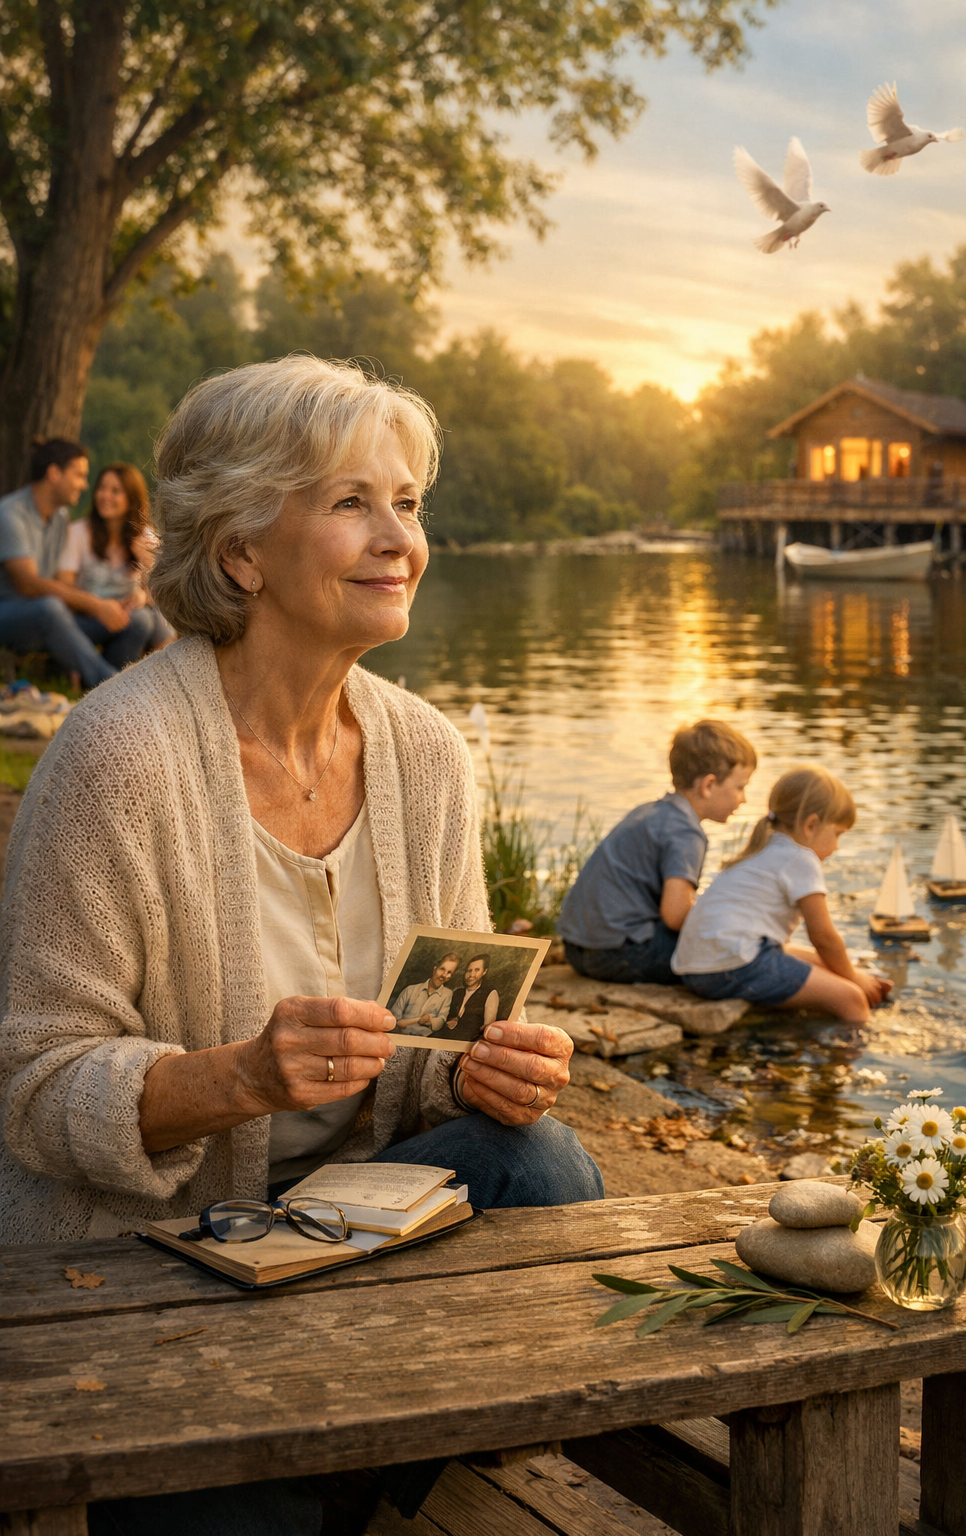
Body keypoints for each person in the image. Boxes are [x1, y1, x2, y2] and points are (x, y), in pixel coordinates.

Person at [0, 357, 601, 1535]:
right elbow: (30, 1085)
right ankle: (322, 1466)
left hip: (343, 1216)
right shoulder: (116, 758)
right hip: (154, 1248)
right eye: (349, 503)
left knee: (548, 1172)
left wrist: (487, 1066)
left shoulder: (428, 756)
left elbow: (434, 1044)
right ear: (239, 552)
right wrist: (235, 1078)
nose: (399, 540)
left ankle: (327, 1457)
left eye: (409, 504)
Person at [671, 766, 893, 1022]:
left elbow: (812, 951)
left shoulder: (760, 852)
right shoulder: (800, 858)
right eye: (837, 834)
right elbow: (824, 938)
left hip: (694, 969)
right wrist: (854, 979)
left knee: (815, 961)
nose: (836, 847)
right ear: (811, 825)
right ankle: (848, 1057)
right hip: (732, 965)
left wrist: (848, 971)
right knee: (850, 998)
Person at [558, 719, 757, 985]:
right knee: (729, 953)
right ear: (708, 785)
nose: (743, 799)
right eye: (740, 787)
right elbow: (675, 916)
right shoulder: (686, 833)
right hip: (617, 954)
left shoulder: (649, 812)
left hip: (577, 949)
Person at [0, 439, 131, 688]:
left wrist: (110, 606)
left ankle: (115, 685)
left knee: (134, 621)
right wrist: (94, 603)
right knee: (49, 607)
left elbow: (63, 582)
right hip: (9, 613)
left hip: (47, 618)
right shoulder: (10, 515)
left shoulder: (60, 518)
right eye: (79, 475)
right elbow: (28, 585)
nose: (84, 485)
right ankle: (113, 686)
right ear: (53, 473)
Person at [57, 461, 175, 669]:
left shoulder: (145, 538)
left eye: (115, 491)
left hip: (126, 618)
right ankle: (119, 678)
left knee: (150, 617)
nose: (105, 496)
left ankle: (140, 676)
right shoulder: (78, 532)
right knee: (143, 620)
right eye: (102, 488)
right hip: (86, 618)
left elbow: (165, 592)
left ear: (131, 499)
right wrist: (98, 607)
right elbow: (64, 584)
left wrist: (143, 593)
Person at [390, 952, 460, 1035]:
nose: (444, 975)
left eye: (449, 972)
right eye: (442, 969)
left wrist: (430, 1021)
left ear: (450, 977)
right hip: (401, 1035)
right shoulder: (410, 990)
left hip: (425, 1039)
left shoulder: (448, 994)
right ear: (434, 969)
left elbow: (442, 1019)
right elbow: (393, 1019)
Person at [444, 953, 500, 1036]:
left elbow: (487, 1027)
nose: (471, 975)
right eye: (469, 971)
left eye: (477, 970)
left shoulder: (490, 993)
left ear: (484, 972)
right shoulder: (457, 992)